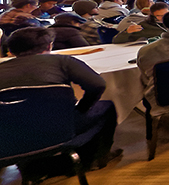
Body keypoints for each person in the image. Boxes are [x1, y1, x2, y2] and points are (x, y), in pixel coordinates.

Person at [0, 27, 119, 175]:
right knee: (106, 107)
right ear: (50, 45)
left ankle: (34, 167)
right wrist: (81, 109)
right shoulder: (61, 61)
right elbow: (97, 85)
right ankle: (94, 159)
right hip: (60, 129)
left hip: (8, 141)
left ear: (11, 50)